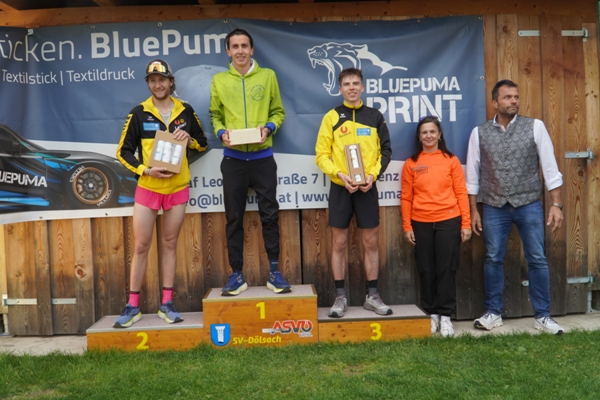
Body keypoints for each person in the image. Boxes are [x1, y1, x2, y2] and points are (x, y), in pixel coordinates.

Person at [113, 59, 208, 328]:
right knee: (141, 246)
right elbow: (123, 152)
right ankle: (132, 306)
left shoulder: (185, 111)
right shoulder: (139, 113)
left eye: (162, 80)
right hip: (149, 188)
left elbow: (202, 143)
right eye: (153, 81)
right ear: (149, 84)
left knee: (169, 244)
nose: (158, 85)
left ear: (171, 82)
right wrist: (145, 170)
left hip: (177, 188)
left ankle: (167, 303)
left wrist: (190, 140)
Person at [466, 79, 565, 335]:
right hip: (493, 205)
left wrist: (556, 204)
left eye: (516, 97)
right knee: (493, 258)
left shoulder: (535, 126)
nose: (513, 101)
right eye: (507, 97)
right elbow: (472, 175)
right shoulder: (479, 133)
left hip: (528, 203)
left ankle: (543, 316)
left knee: (537, 258)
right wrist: (473, 210)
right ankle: (493, 313)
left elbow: (550, 166)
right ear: (494, 102)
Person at [209, 29, 290, 296]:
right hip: (233, 160)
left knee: (270, 215)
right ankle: (236, 275)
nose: (240, 50)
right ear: (228, 51)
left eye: (244, 45)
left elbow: (278, 112)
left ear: (252, 50)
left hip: (262, 158)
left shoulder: (268, 76)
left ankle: (275, 273)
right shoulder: (219, 80)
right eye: (235, 46)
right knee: (234, 218)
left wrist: (268, 127)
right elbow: (215, 115)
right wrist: (221, 133)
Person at [315, 67, 392, 318]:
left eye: (355, 83)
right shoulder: (331, 117)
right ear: (340, 89)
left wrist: (373, 175)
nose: (351, 88)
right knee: (339, 243)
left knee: (370, 242)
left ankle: (372, 296)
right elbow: (321, 155)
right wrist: (339, 175)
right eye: (347, 84)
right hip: (341, 187)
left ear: (362, 87)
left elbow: (386, 151)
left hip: (367, 187)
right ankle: (340, 298)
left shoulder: (375, 116)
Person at [401, 116, 471, 337]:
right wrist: (407, 226)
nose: (429, 135)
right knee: (426, 269)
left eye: (432, 131)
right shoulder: (411, 163)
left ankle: (446, 315)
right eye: (424, 132)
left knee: (446, 269)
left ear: (439, 135)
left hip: (448, 220)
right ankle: (432, 313)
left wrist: (466, 223)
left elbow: (461, 193)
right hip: (420, 222)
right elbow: (406, 197)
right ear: (419, 137)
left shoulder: (451, 160)